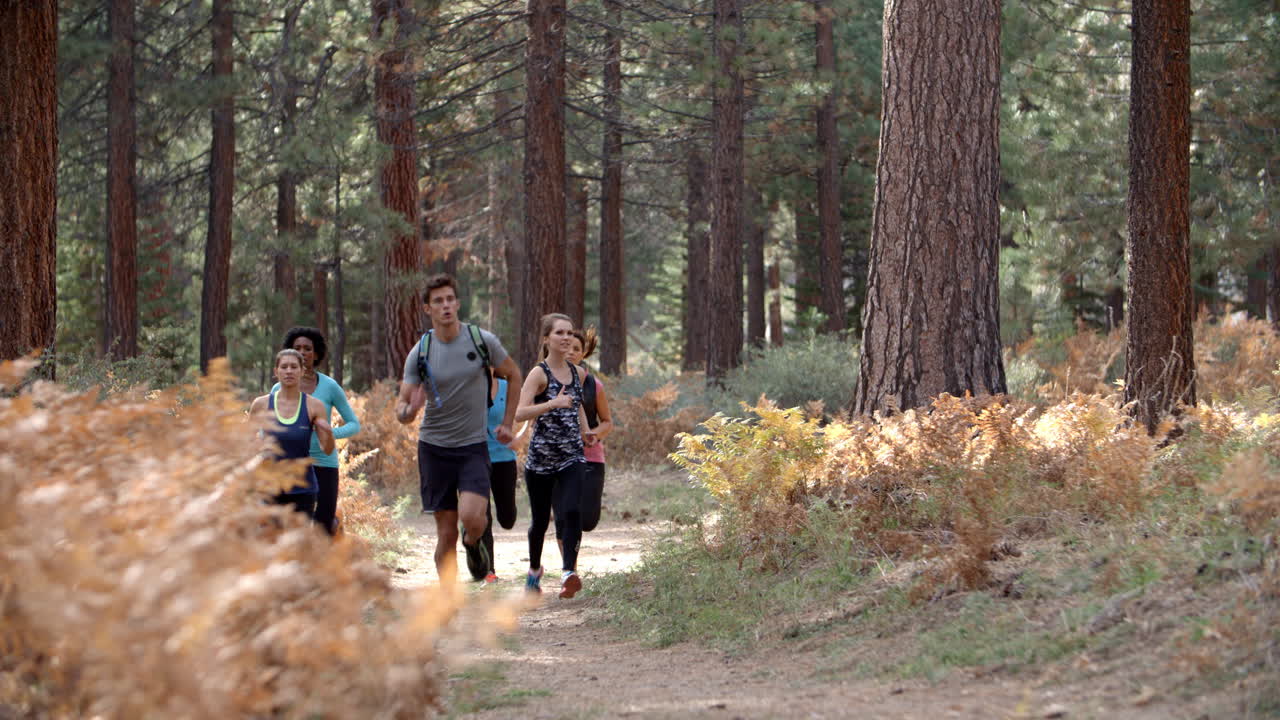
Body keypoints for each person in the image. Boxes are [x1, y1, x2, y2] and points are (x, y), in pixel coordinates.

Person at [394, 274, 523, 587]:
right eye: (438, 301)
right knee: (446, 532)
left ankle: (473, 542)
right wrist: (409, 410)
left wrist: (507, 423)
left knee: (473, 519)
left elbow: (515, 374)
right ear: (428, 309)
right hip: (434, 448)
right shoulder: (421, 351)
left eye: (450, 299)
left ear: (458, 303)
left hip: (472, 446)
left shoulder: (481, 341)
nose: (446, 305)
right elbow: (401, 406)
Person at [515, 313, 596, 599]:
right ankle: (534, 570)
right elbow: (519, 413)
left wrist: (586, 431)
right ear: (546, 338)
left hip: (571, 455)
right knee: (539, 521)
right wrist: (552, 403)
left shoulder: (579, 373)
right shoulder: (539, 374)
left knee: (572, 509)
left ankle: (567, 572)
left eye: (569, 332)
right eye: (559, 333)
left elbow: (579, 406)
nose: (566, 337)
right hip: (541, 459)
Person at [272, 326, 361, 535]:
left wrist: (327, 433)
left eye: (308, 348)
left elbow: (354, 424)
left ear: (317, 353)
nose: (303, 352)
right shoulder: (278, 389)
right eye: (297, 348)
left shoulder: (329, 387)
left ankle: (323, 565)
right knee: (289, 530)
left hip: (323, 463)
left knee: (323, 528)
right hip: (289, 464)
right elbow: (268, 426)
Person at [249, 349, 335, 518]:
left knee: (299, 544)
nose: (289, 371)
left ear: (302, 371)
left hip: (303, 489)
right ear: (276, 371)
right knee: (270, 542)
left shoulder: (314, 406)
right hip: (269, 489)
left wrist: (329, 432)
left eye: (294, 367)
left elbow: (327, 449)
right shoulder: (261, 404)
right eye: (284, 367)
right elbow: (245, 445)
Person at [555, 327, 613, 567]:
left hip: (590, 459)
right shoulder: (545, 380)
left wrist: (593, 434)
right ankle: (570, 569)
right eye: (566, 347)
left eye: (576, 349)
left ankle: (571, 564)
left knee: (586, 519)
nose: (570, 352)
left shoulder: (594, 385)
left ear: (583, 354)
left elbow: (608, 422)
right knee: (563, 517)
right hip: (556, 459)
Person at [475, 374, 520, 583]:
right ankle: (488, 571)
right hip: (474, 460)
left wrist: (518, 438)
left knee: (507, 518)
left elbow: (524, 415)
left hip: (504, 459)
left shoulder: (507, 387)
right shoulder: (465, 387)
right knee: (483, 517)